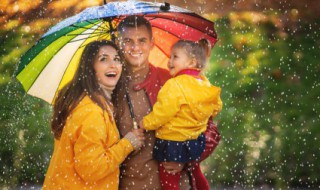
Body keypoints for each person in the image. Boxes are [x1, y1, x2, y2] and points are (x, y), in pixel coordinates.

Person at [113, 15, 221, 190]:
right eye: (127, 41)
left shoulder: (174, 80)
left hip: (176, 183)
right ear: (119, 44)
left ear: (152, 43)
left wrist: (185, 158)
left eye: (142, 40)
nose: (135, 47)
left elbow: (209, 131)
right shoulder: (109, 86)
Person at [43, 40, 145, 189]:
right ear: (91, 68)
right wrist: (128, 143)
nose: (113, 64)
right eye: (103, 59)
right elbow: (92, 169)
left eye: (117, 59)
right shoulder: (91, 112)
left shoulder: (93, 103)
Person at [139, 39, 223, 190]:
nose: (169, 61)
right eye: (170, 57)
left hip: (173, 142)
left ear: (192, 62)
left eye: (175, 57)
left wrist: (145, 123)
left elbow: (163, 113)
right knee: (197, 173)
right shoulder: (204, 83)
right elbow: (216, 107)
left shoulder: (174, 84)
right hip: (196, 140)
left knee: (169, 181)